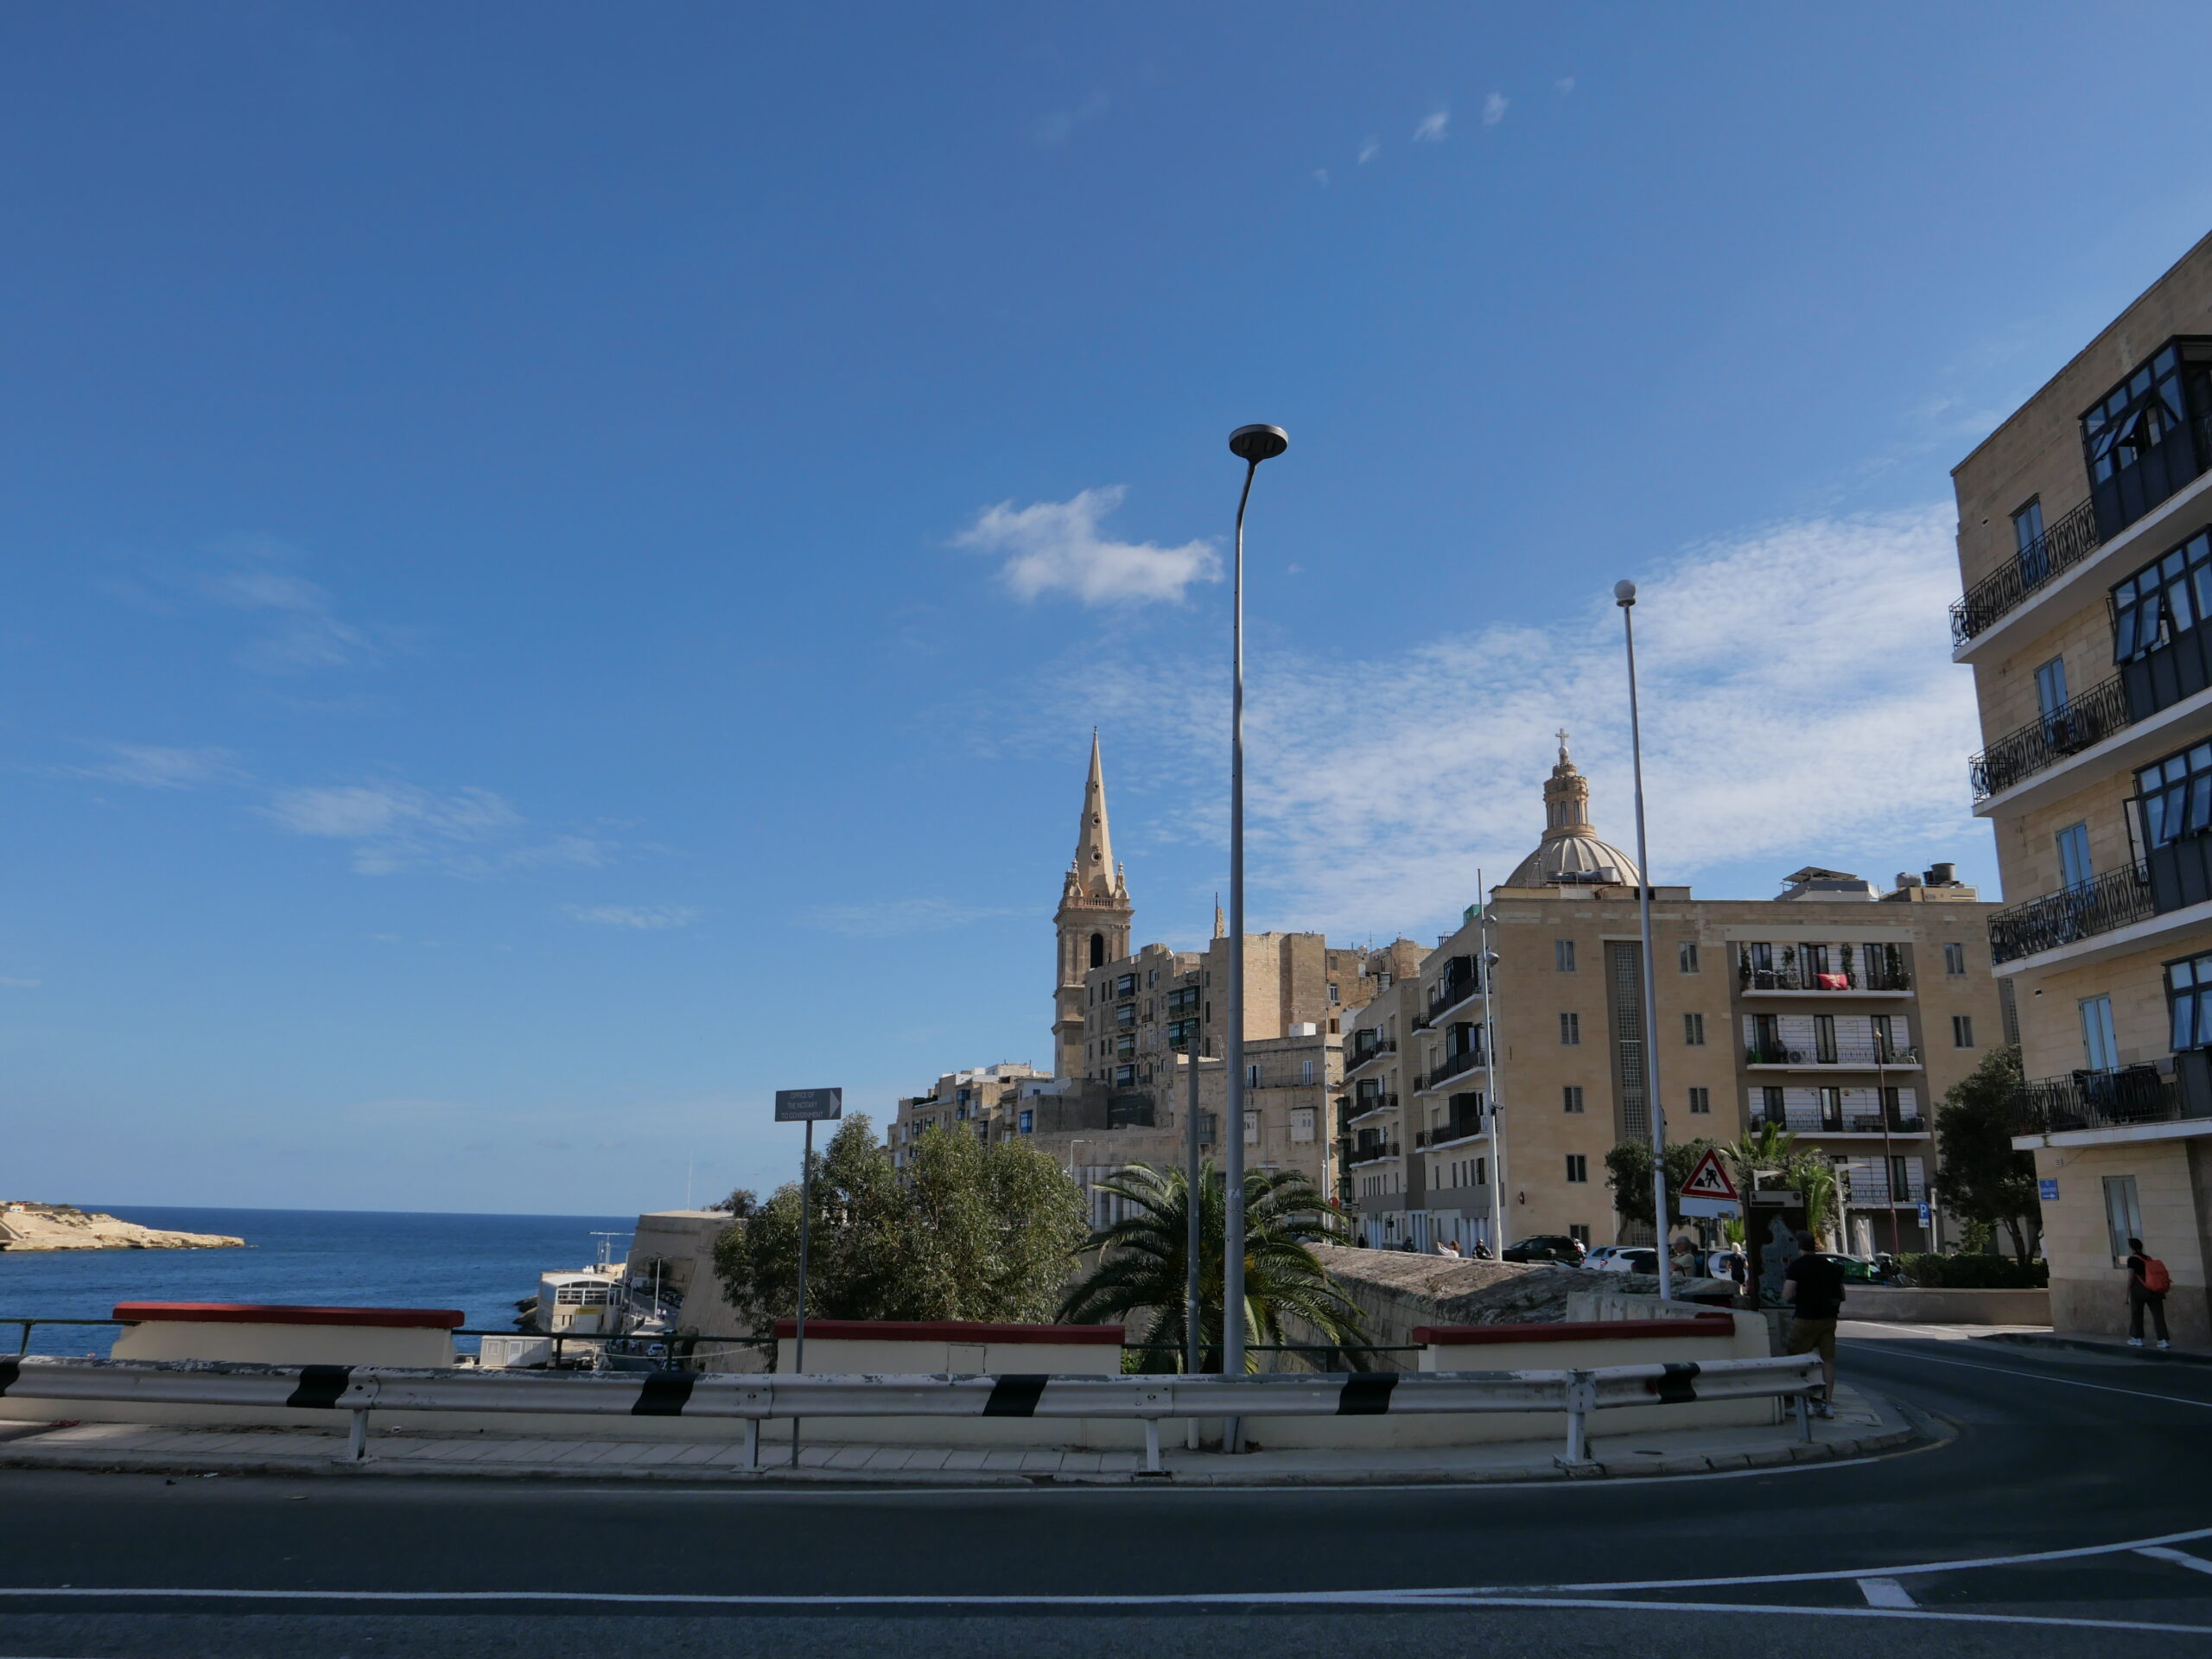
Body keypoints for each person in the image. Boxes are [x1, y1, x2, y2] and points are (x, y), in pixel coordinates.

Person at [1783, 1230, 1846, 1416]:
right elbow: (1842, 1294)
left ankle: (1806, 1403)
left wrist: (1801, 1299)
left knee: (1798, 1359)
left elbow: (1787, 1295)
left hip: (1805, 1318)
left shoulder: (1797, 1266)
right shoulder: (1830, 1266)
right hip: (1829, 1319)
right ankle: (1828, 1404)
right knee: (1827, 1361)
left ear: (1799, 1246)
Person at [2127, 1236, 2172, 1350]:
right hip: (2154, 1289)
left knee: (2137, 1313)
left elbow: (2131, 1277)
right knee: (2158, 1315)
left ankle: (2137, 1338)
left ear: (2131, 1248)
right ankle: (2163, 1340)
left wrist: (2126, 1293)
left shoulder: (2132, 1260)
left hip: (2139, 1290)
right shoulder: (2148, 1258)